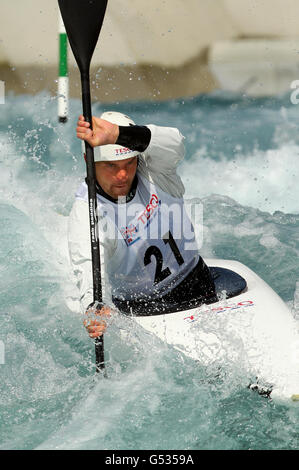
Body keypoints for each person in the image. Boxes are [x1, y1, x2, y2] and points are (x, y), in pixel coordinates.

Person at [68, 111, 217, 339]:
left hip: (198, 283)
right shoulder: (88, 213)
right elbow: (87, 266)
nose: (122, 174)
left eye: (129, 163)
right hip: (141, 311)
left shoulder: (155, 171)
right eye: (110, 165)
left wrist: (117, 134)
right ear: (89, 161)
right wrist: (94, 307)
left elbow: (175, 142)